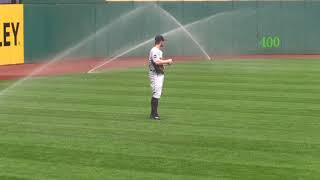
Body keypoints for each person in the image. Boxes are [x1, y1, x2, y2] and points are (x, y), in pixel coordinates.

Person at [148, 35, 173, 120]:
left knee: (158, 93)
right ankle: (153, 114)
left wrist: (166, 63)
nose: (164, 43)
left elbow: (160, 63)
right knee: (156, 93)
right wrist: (168, 61)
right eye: (163, 41)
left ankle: (153, 113)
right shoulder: (154, 50)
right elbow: (156, 62)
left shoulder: (159, 51)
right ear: (160, 41)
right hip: (155, 74)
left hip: (159, 74)